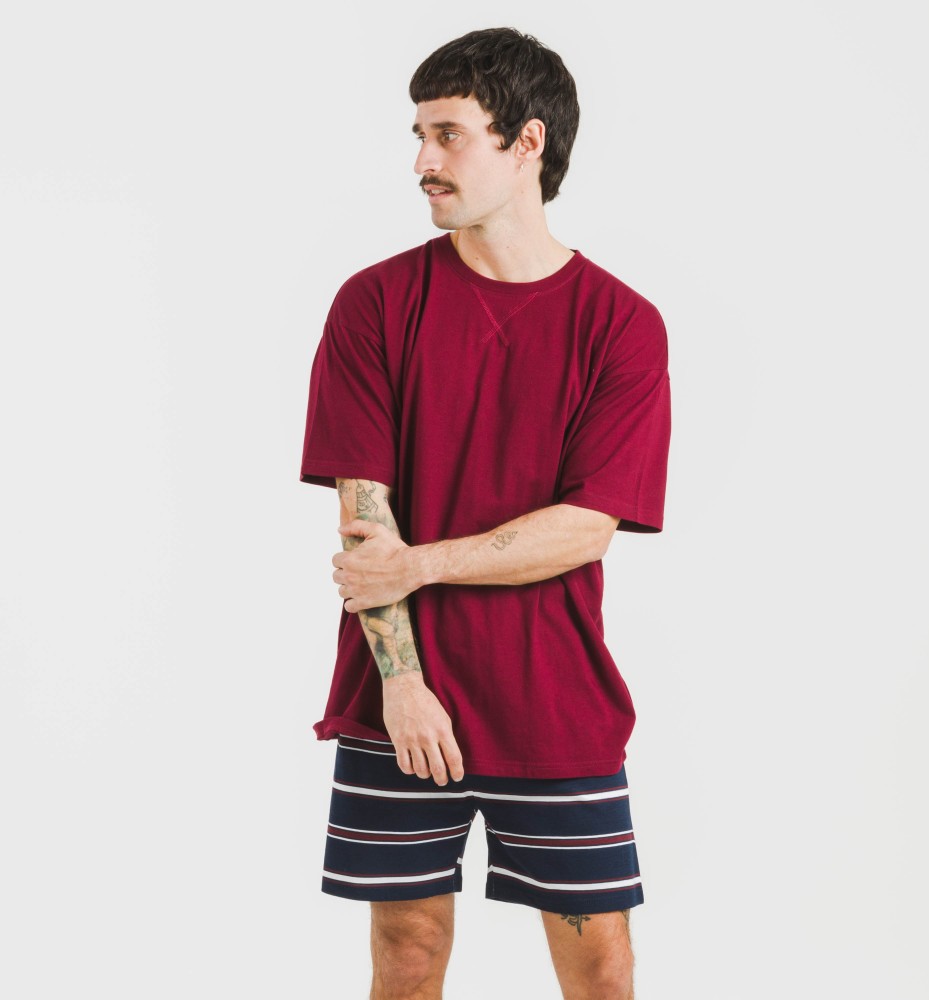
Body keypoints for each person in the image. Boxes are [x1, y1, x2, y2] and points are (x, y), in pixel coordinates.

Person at [300, 27, 671, 1000]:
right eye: (418, 135)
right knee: (407, 951)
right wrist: (403, 687)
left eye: (448, 134)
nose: (422, 160)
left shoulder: (621, 325)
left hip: (554, 699)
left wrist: (421, 563)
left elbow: (586, 525)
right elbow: (365, 523)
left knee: (602, 967)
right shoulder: (375, 304)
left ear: (527, 142)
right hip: (398, 701)